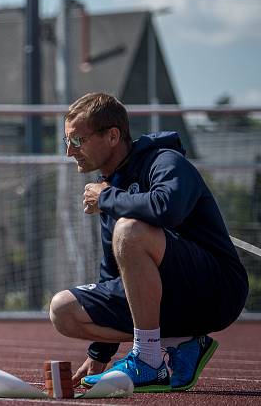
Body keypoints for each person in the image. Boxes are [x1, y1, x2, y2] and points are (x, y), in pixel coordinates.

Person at [49, 92, 248, 392]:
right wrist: (99, 353)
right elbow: (113, 275)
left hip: (217, 291)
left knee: (129, 231)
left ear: (113, 136)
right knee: (62, 310)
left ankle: (149, 360)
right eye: (67, 142)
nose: (69, 151)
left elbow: (167, 208)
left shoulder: (165, 161)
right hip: (168, 300)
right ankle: (180, 342)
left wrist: (106, 198)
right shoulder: (111, 188)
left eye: (77, 141)